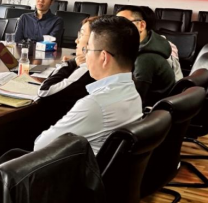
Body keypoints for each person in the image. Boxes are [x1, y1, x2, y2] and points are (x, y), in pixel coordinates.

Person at [34, 16, 143, 155]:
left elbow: (41, 146)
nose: (85, 55)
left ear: (103, 57)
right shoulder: (133, 93)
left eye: (88, 50)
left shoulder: (95, 104)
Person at [116, 7, 176, 106]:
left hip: (150, 110)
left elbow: (133, 101)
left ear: (142, 25)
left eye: (123, 24)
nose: (116, 30)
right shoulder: (150, 44)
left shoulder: (145, 59)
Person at [38, 15, 98, 104]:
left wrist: (69, 64)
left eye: (81, 35)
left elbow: (44, 91)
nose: (76, 40)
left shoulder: (87, 67)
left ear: (93, 40)